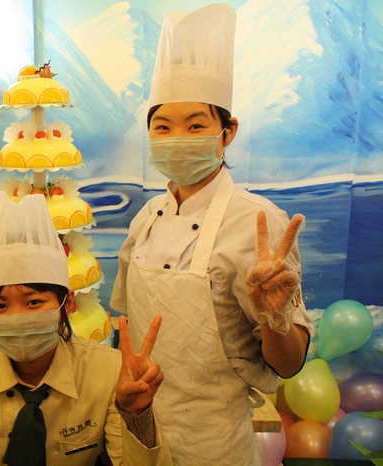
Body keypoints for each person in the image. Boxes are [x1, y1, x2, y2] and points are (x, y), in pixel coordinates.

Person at [110, 4, 314, 465]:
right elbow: (129, 330)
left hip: (216, 446)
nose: (177, 137)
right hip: (140, 432)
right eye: (163, 127)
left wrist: (275, 318)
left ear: (227, 132)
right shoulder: (145, 218)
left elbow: (287, 364)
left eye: (196, 125)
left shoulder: (259, 223)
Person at [0, 192, 172, 466]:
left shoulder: (108, 371)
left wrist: (136, 415)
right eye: (0, 306)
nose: (17, 317)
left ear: (68, 304)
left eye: (34, 302)